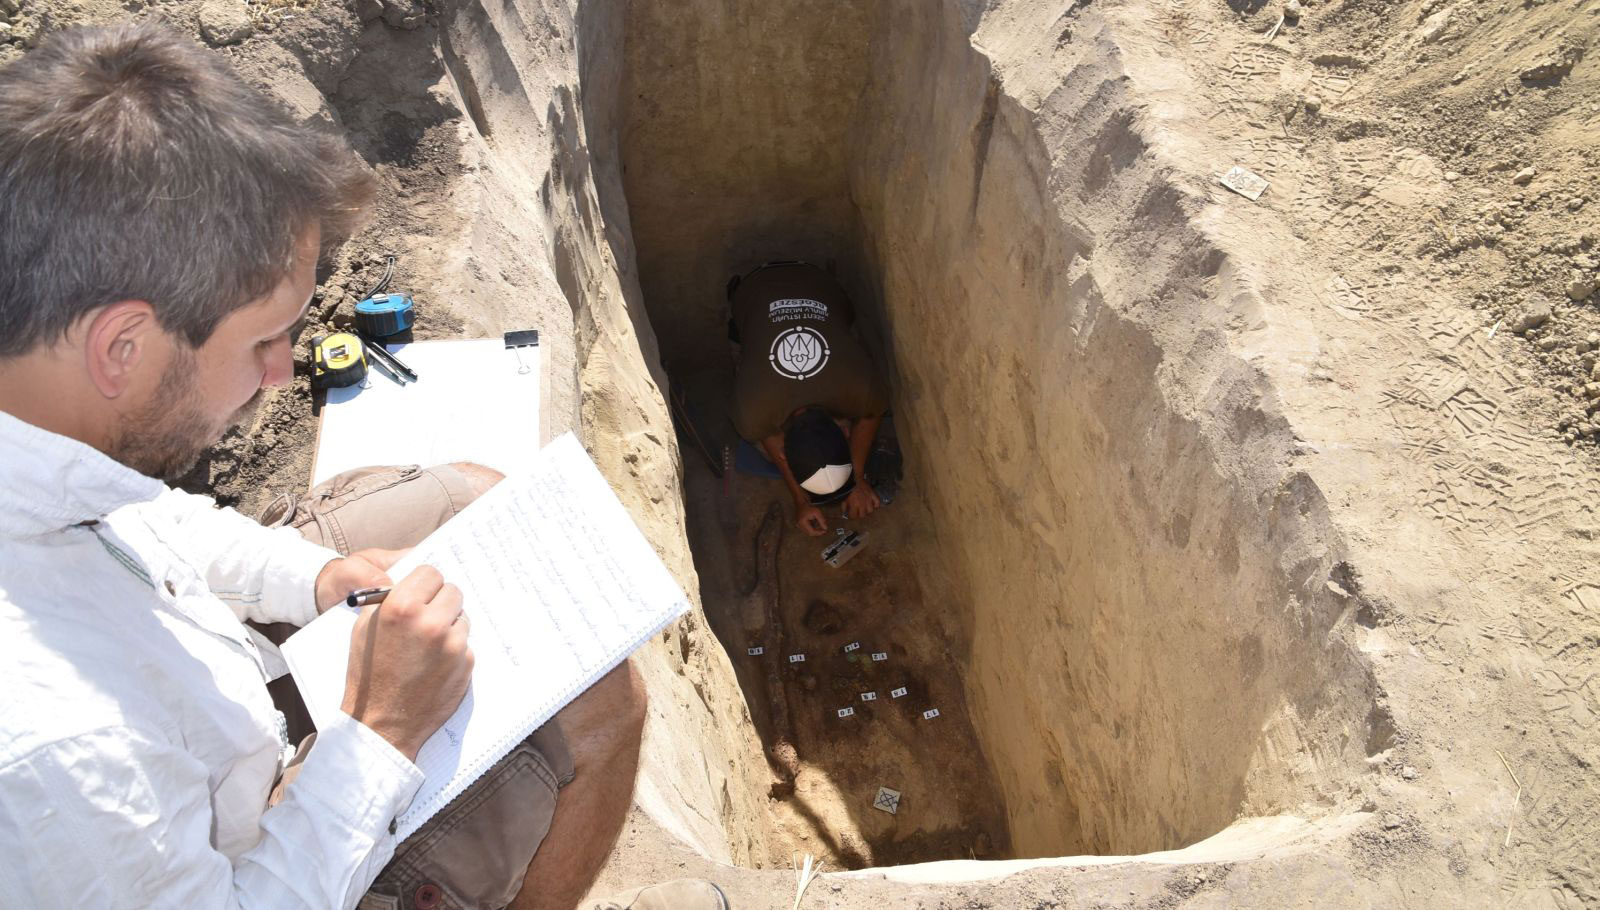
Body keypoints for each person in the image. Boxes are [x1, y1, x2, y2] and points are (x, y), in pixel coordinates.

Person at [0, 23, 724, 910]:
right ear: (121, 346)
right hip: (260, 859)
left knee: (474, 495)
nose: (283, 372)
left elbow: (147, 521)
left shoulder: (44, 428)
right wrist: (382, 730)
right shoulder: (56, 756)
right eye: (264, 340)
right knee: (604, 708)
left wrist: (315, 580)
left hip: (208, 683)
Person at [729, 261, 895, 536]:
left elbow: (871, 414)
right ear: (844, 430)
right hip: (783, 282)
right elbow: (870, 415)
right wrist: (801, 499)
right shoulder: (752, 412)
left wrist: (856, 480)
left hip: (807, 281)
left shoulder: (861, 389)